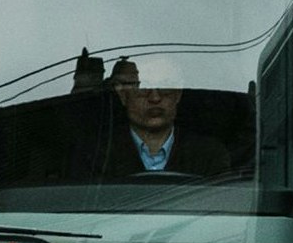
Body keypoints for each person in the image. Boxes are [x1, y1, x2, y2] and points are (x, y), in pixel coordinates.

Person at [93, 57, 240, 179]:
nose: (155, 97)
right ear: (122, 94)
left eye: (164, 85)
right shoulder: (95, 155)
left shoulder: (209, 154)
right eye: (143, 87)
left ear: (178, 94)